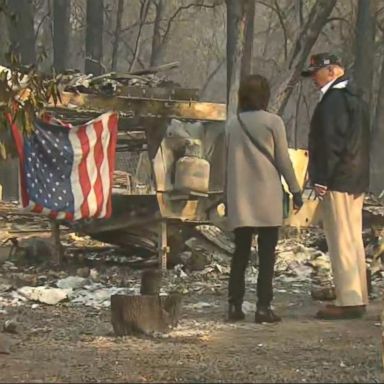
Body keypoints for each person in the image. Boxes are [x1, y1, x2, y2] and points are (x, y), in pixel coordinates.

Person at [225, 74, 303, 323]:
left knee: (240, 253)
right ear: (265, 95)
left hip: (240, 197)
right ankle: (262, 307)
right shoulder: (273, 122)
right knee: (267, 255)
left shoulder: (231, 124)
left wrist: (222, 196)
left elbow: (223, 165)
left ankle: (234, 307)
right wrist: (295, 189)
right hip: (267, 196)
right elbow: (283, 160)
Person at [301, 53, 370, 320]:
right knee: (353, 239)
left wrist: (321, 179)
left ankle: (348, 300)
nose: (313, 79)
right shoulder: (356, 99)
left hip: (338, 178)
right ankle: (358, 294)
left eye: (317, 72)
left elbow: (330, 144)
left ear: (332, 71)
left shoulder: (333, 102)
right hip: (355, 177)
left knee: (340, 238)